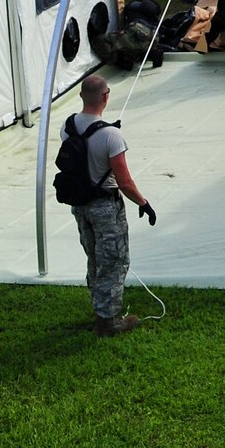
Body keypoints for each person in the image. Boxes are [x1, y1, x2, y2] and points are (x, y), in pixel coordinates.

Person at [63, 75, 157, 336]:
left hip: (80, 205)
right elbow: (124, 182)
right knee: (114, 262)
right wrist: (143, 202)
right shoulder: (111, 136)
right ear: (106, 97)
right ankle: (109, 320)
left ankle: (99, 307)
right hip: (105, 207)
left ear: (81, 96)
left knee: (94, 258)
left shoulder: (68, 126)